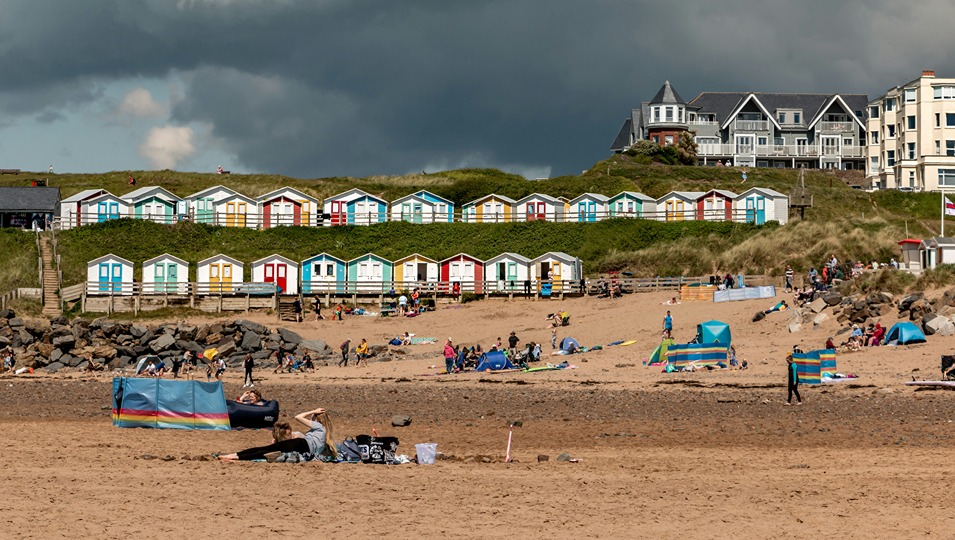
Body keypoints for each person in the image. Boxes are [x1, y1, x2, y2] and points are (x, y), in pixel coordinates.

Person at [217, 407, 336, 461]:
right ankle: (235, 456)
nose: (311, 417)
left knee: (265, 449)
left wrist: (313, 411)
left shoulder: (319, 426)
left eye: (313, 417)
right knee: (268, 450)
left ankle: (234, 456)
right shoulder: (325, 434)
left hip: (302, 445)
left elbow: (297, 417)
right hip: (304, 450)